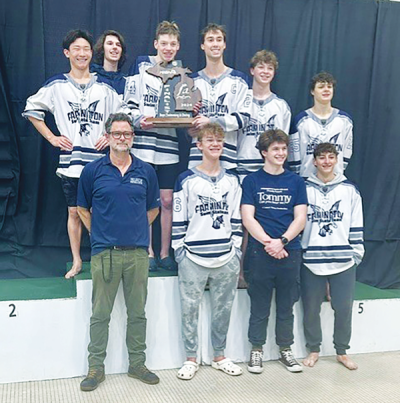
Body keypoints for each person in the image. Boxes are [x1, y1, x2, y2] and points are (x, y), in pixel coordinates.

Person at [22, 29, 128, 279]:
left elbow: (123, 114)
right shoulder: (57, 85)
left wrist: (111, 134)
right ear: (67, 53)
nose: (82, 53)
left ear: (93, 53)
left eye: (86, 49)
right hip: (71, 161)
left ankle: (105, 257)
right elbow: (31, 109)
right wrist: (51, 137)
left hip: (100, 161)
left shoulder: (103, 87)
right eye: (77, 49)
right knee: (73, 212)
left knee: (103, 211)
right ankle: (77, 260)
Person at [78, 113, 160, 391]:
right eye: (117, 133)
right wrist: (98, 233)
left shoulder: (146, 171)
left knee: (138, 313)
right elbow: (81, 209)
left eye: (127, 134)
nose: (122, 138)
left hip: (137, 254)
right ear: (108, 137)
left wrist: (135, 229)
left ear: (133, 138)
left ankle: (137, 364)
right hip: (105, 255)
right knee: (100, 314)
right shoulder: (93, 171)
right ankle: (95, 367)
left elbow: (153, 209)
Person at [172, 123, 243, 380]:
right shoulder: (187, 180)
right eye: (209, 140)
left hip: (225, 256)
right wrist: (179, 249)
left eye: (219, 140)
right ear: (199, 145)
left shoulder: (232, 180)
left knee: (223, 308)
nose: (215, 144)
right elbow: (178, 217)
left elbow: (236, 219)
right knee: (189, 308)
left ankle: (219, 355)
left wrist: (236, 249)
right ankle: (191, 358)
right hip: (192, 256)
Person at [241, 129, 307, 374]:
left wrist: (283, 241)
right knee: (259, 305)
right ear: (264, 153)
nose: (281, 153)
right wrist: (270, 243)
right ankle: (256, 350)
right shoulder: (251, 181)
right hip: (260, 253)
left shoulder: (296, 181)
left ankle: (285, 350)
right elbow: (248, 218)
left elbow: (301, 218)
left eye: (284, 149)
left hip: (290, 251)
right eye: (276, 149)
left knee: (286, 305)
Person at [301, 143, 364, 370]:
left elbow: (356, 223)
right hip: (312, 262)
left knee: (344, 308)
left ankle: (342, 351)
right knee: (310, 308)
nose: (326, 161)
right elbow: (298, 223)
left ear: (337, 160)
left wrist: (356, 254)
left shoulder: (349, 190)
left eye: (331, 157)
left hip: (343, 261)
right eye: (321, 157)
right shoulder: (304, 189)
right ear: (314, 161)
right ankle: (314, 349)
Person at [124, 21, 182, 271]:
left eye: (173, 44)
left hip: (168, 147)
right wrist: (139, 119)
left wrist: (192, 110)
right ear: (156, 44)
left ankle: (165, 252)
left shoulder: (183, 78)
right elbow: (125, 107)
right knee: (144, 201)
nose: (168, 48)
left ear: (178, 47)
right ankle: (146, 251)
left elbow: (186, 111)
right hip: (143, 146)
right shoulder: (138, 76)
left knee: (167, 201)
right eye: (164, 44)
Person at [189, 23, 250, 170]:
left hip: (228, 157)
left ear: (224, 45)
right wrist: (189, 126)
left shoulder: (240, 80)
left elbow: (244, 118)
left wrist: (210, 121)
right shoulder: (190, 81)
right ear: (202, 46)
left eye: (219, 39)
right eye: (210, 39)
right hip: (198, 157)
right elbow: (184, 120)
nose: (215, 43)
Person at [288, 71, 353, 178]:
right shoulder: (301, 121)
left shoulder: (344, 120)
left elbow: (346, 154)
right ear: (312, 91)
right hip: (307, 180)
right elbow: (294, 155)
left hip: (335, 181)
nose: (326, 89)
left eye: (329, 86)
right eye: (321, 87)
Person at [91, 30, 127, 95]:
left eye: (118, 45)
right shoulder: (91, 79)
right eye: (110, 44)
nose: (115, 47)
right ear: (102, 48)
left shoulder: (127, 82)